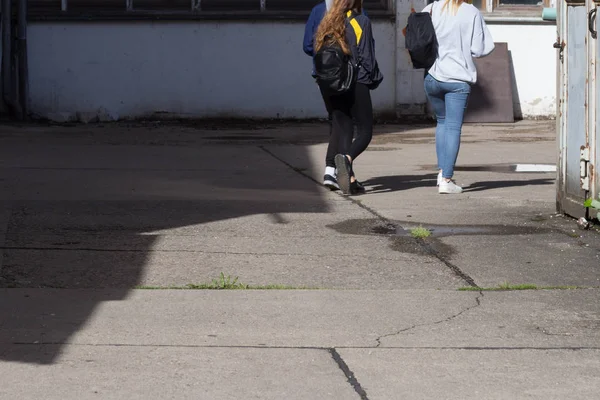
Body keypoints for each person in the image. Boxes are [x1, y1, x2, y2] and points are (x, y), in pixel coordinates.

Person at [422, 0, 494, 194]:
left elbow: (414, 37)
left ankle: (441, 172)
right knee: (453, 128)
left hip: (432, 77)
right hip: (457, 79)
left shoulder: (430, 9)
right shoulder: (470, 12)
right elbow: (481, 49)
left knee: (442, 123)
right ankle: (446, 179)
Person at [314, 0, 383, 195]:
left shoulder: (328, 22)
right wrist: (371, 81)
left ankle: (349, 179)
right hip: (356, 81)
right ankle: (346, 159)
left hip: (331, 84)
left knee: (344, 129)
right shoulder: (361, 21)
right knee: (365, 131)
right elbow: (367, 58)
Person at [303, 0, 367, 191]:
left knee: (338, 121)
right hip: (348, 76)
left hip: (324, 77)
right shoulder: (355, 11)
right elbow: (363, 45)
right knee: (346, 123)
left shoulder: (318, 11)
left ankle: (331, 170)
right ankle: (340, 171)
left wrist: (326, 55)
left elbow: (307, 45)